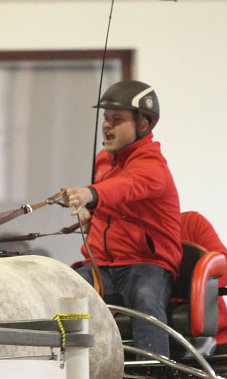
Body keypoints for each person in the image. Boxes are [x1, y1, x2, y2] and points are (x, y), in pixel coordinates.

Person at [64, 79, 182, 358]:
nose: (107, 125)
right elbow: (113, 202)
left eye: (117, 119)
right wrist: (92, 215)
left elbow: (124, 188)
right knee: (63, 290)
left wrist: (90, 194)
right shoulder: (104, 160)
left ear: (144, 124)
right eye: (106, 118)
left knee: (146, 299)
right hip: (103, 265)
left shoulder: (153, 166)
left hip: (145, 264)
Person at [180, 210, 227, 354]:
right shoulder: (127, 234)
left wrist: (194, 285)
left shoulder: (190, 222)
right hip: (161, 341)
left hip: (217, 339)